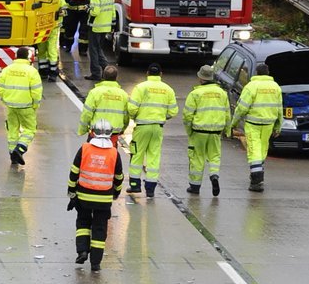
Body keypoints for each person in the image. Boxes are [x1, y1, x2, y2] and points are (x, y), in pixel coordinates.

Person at [67, 118, 123, 273]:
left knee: (83, 223)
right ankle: (96, 263)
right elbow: (118, 177)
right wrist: (116, 193)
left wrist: (72, 193)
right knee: (99, 228)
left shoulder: (84, 148)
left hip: (84, 196)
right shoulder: (114, 153)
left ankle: (82, 251)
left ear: (92, 132)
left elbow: (74, 172)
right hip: (104, 199)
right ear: (111, 135)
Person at [126, 64, 178, 197]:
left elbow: (131, 108)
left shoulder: (140, 87)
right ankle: (150, 189)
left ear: (147, 73)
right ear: (161, 74)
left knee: (137, 155)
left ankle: (135, 185)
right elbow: (173, 111)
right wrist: (161, 117)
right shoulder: (168, 89)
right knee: (154, 157)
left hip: (142, 127)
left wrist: (135, 117)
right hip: (157, 127)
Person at [231, 65, 283, 192]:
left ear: (257, 73)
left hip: (253, 124)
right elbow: (279, 109)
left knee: (254, 151)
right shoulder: (275, 87)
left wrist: (233, 123)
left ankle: (256, 180)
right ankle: (258, 174)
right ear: (268, 73)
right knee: (262, 150)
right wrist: (278, 126)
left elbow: (242, 108)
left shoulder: (251, 87)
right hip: (268, 124)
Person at [182, 62, 231, 196]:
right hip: (216, 132)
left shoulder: (195, 93)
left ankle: (195, 187)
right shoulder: (222, 93)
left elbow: (187, 115)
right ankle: (214, 175)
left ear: (201, 78)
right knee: (214, 157)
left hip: (199, 132)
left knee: (197, 158)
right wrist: (227, 130)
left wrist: (189, 131)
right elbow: (227, 113)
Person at [0, 46, 43, 167]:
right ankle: (20, 149)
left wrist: (5, 100)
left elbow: (1, 88)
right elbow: (36, 92)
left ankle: (13, 155)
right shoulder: (32, 71)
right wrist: (35, 105)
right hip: (26, 106)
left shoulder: (7, 69)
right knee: (30, 129)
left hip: (11, 106)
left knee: (12, 129)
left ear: (16, 56)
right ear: (28, 57)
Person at [77, 64, 130, 140]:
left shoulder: (94, 92)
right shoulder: (123, 95)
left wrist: (82, 130)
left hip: (97, 132)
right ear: (116, 77)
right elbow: (126, 116)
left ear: (103, 76)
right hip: (113, 133)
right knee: (112, 152)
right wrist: (123, 129)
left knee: (87, 151)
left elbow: (87, 113)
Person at [85, 0, 116, 79]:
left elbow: (95, 12)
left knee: (93, 50)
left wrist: (88, 9)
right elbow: (112, 12)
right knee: (99, 49)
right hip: (105, 27)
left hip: (95, 27)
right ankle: (107, 70)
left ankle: (96, 73)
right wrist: (112, 25)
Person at [35, 0, 63, 81]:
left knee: (48, 50)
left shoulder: (57, 0)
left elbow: (64, 12)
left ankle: (49, 73)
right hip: (46, 28)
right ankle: (47, 72)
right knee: (46, 50)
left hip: (48, 28)